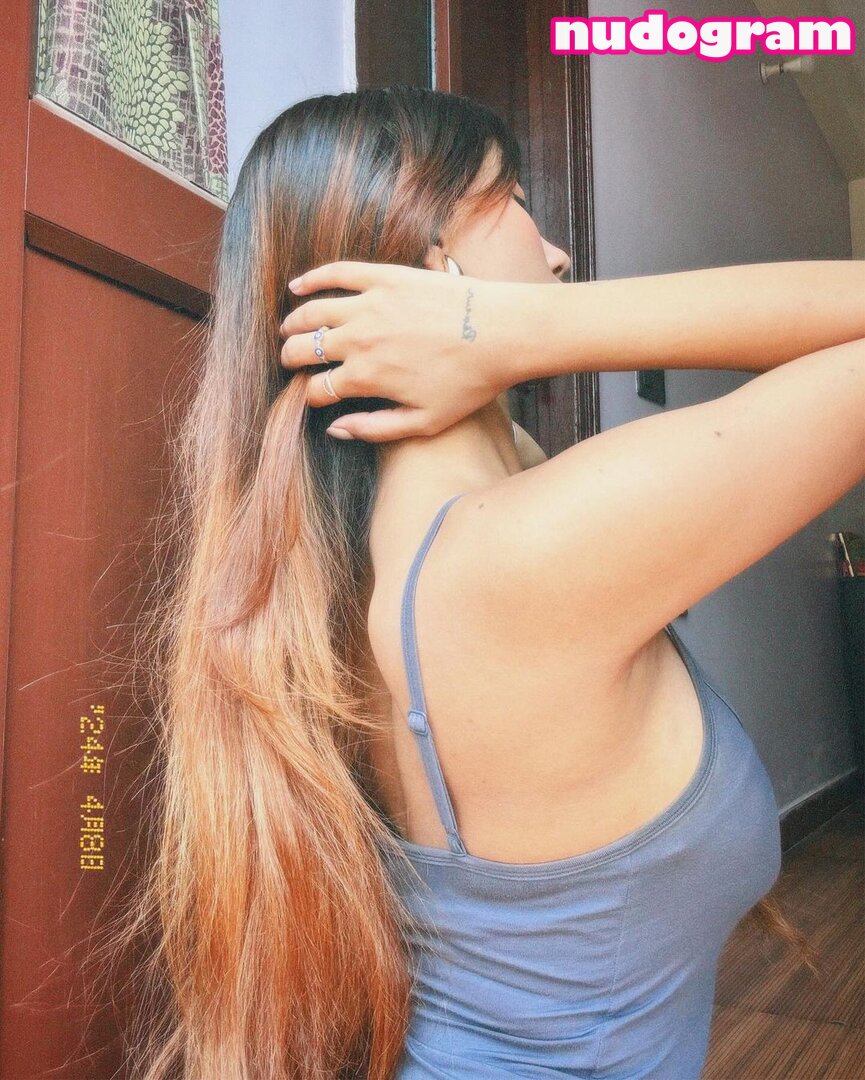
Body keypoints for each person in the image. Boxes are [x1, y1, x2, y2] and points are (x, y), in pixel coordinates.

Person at [108, 84, 864, 1080]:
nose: (556, 255)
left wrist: (489, 332)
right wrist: (515, 328)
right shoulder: (529, 555)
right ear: (432, 265)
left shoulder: (364, 557)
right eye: (512, 200)